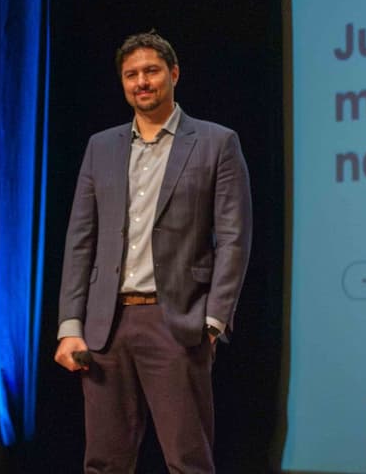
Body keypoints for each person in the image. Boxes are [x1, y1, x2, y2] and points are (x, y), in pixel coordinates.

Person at [55, 31, 253, 473]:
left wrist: (214, 321)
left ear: (174, 74)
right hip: (105, 326)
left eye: (151, 71)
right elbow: (80, 240)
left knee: (187, 461)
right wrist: (71, 324)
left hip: (177, 322)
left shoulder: (216, 142)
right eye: (131, 74)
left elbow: (234, 238)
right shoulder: (100, 146)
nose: (141, 81)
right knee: (104, 462)